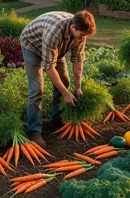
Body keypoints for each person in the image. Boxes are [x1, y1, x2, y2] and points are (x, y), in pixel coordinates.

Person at [20, 10, 96, 147]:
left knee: (65, 81)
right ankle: (34, 130)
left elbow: (78, 60)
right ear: (73, 27)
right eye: (82, 35)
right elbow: (49, 67)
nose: (83, 38)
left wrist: (78, 86)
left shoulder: (81, 33)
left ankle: (57, 120)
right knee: (37, 88)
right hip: (32, 45)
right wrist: (65, 93)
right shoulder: (54, 32)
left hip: (56, 49)